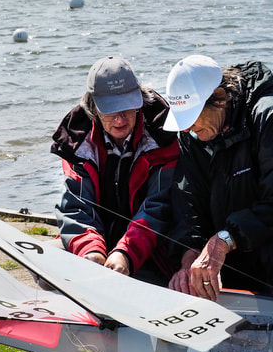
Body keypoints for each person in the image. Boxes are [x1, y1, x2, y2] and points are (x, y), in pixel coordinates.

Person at [163, 55, 273, 303]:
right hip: (240, 224)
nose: (186, 128)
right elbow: (190, 202)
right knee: (240, 276)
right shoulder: (192, 136)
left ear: (219, 97)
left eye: (192, 116)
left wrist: (225, 239)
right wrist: (190, 254)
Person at [50, 56, 179, 285]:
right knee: (45, 271)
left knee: (144, 281)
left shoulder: (163, 135)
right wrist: (91, 250)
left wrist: (125, 253)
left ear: (139, 100)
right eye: (111, 111)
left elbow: (159, 207)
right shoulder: (76, 142)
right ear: (93, 107)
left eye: (127, 108)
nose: (120, 119)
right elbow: (74, 206)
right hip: (99, 243)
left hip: (150, 248)